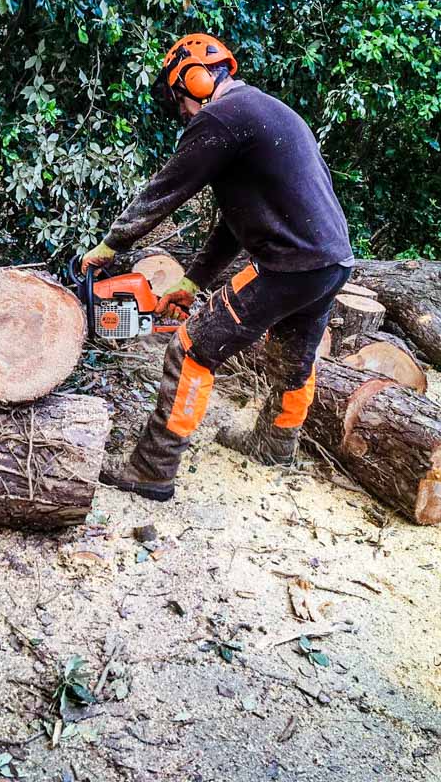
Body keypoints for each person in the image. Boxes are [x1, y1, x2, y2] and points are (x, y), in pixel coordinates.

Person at [81, 33, 354, 502]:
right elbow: (234, 225)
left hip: (286, 267)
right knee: (295, 359)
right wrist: (192, 282)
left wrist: (109, 246)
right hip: (332, 264)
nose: (183, 113)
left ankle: (152, 468)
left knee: (190, 349)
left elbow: (165, 191)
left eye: (180, 101)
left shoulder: (222, 117)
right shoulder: (261, 112)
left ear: (196, 78)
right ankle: (275, 444)